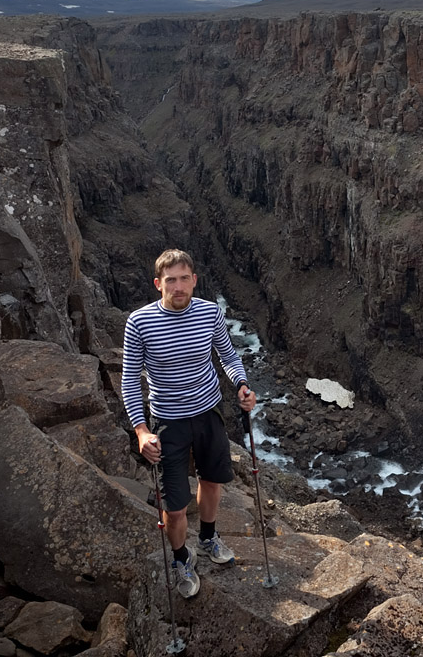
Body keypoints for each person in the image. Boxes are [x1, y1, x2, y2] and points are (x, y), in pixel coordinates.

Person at [121, 248, 257, 598]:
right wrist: (141, 431)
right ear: (158, 284)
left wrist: (241, 385)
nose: (178, 286)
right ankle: (182, 558)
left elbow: (227, 354)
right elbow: (129, 380)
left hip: (209, 412)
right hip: (168, 421)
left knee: (212, 482)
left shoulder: (210, 312)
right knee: (175, 506)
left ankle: (209, 537)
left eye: (184, 279)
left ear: (194, 280)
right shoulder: (139, 322)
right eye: (171, 280)